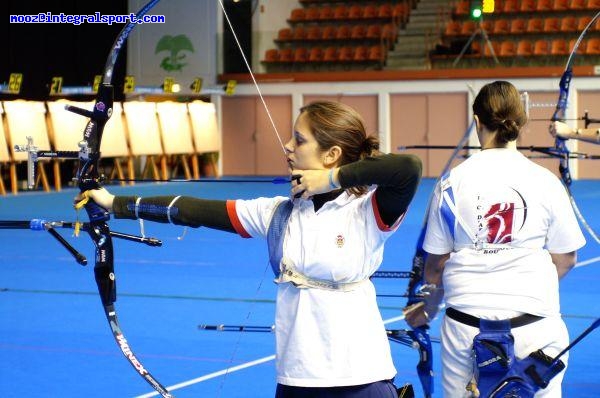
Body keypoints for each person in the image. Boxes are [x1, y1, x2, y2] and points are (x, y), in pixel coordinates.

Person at [80, 101, 422, 398]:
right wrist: (115, 203)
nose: (288, 146)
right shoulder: (277, 213)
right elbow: (190, 209)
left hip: (361, 376)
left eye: (299, 140)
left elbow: (408, 169)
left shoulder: (367, 210)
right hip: (298, 376)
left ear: (332, 155)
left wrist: (330, 180)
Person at [404, 81, 586, 397]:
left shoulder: (451, 183)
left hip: (465, 327)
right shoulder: (546, 182)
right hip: (536, 328)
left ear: (477, 122)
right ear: (521, 123)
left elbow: (435, 266)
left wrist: (426, 310)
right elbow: (566, 258)